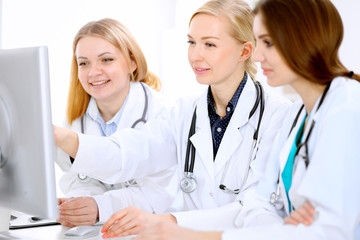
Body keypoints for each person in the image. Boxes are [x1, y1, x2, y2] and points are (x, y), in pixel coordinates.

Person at [101, 0, 360, 239]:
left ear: (305, 40)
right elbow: (260, 205)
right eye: (191, 42)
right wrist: (283, 225)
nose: (257, 56)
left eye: (268, 43)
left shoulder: (347, 105)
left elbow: (331, 230)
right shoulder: (297, 114)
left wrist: (186, 233)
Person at [54, 18, 178, 227]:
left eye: (106, 60)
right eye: (84, 63)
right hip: (102, 230)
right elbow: (77, 178)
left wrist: (101, 207)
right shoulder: (76, 118)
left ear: (132, 62)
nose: (93, 72)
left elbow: (160, 194)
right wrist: (82, 204)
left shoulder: (161, 115)